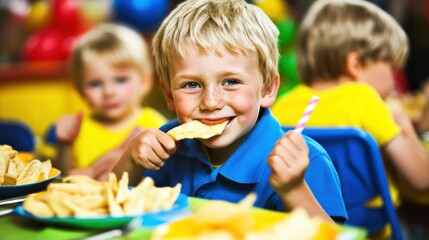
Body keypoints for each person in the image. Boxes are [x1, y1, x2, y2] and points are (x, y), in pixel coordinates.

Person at [113, 0, 347, 223]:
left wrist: (294, 189)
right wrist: (131, 160)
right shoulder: (166, 146)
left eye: (231, 82)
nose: (211, 102)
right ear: (168, 95)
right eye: (191, 85)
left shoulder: (307, 161)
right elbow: (109, 207)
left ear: (267, 88)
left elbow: (335, 235)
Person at [271, 0, 429, 237]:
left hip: (306, 229)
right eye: (391, 68)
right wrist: (409, 129)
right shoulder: (363, 97)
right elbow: (421, 179)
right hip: (371, 231)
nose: (393, 82)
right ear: (355, 64)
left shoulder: (283, 104)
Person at [49, 23, 167, 181]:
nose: (109, 92)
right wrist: (65, 144)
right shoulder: (76, 129)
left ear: (145, 82)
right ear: (80, 91)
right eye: (95, 84)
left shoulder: (156, 124)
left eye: (121, 80)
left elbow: (165, 177)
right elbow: (60, 176)